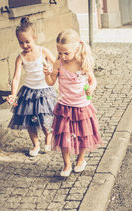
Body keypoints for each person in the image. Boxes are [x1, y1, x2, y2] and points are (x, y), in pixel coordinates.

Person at [43, 29, 103, 177]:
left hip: (82, 106)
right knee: (64, 137)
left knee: (83, 135)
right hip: (64, 107)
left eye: (66, 53)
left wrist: (91, 89)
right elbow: (51, 82)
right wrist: (47, 74)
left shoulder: (83, 62)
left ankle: (80, 160)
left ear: (76, 48)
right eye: (59, 52)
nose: (62, 56)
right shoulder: (59, 64)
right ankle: (66, 164)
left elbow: (92, 80)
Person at [7, 16, 56, 156]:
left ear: (34, 37)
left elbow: (56, 65)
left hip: (44, 91)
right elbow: (16, 77)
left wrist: (51, 70)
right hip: (28, 93)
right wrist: (13, 94)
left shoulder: (43, 51)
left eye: (27, 41)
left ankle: (48, 137)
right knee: (30, 121)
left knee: (46, 119)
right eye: (21, 43)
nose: (24, 45)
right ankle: (35, 144)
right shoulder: (20, 57)